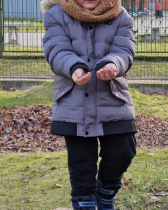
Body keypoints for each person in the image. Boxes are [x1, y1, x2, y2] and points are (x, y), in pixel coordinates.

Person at [40, 0, 137, 209]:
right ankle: (84, 203)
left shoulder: (120, 15)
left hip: (113, 98)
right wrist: (73, 67)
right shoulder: (56, 15)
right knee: (81, 164)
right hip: (74, 102)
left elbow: (125, 49)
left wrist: (113, 64)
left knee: (123, 152)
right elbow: (56, 49)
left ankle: (106, 191)